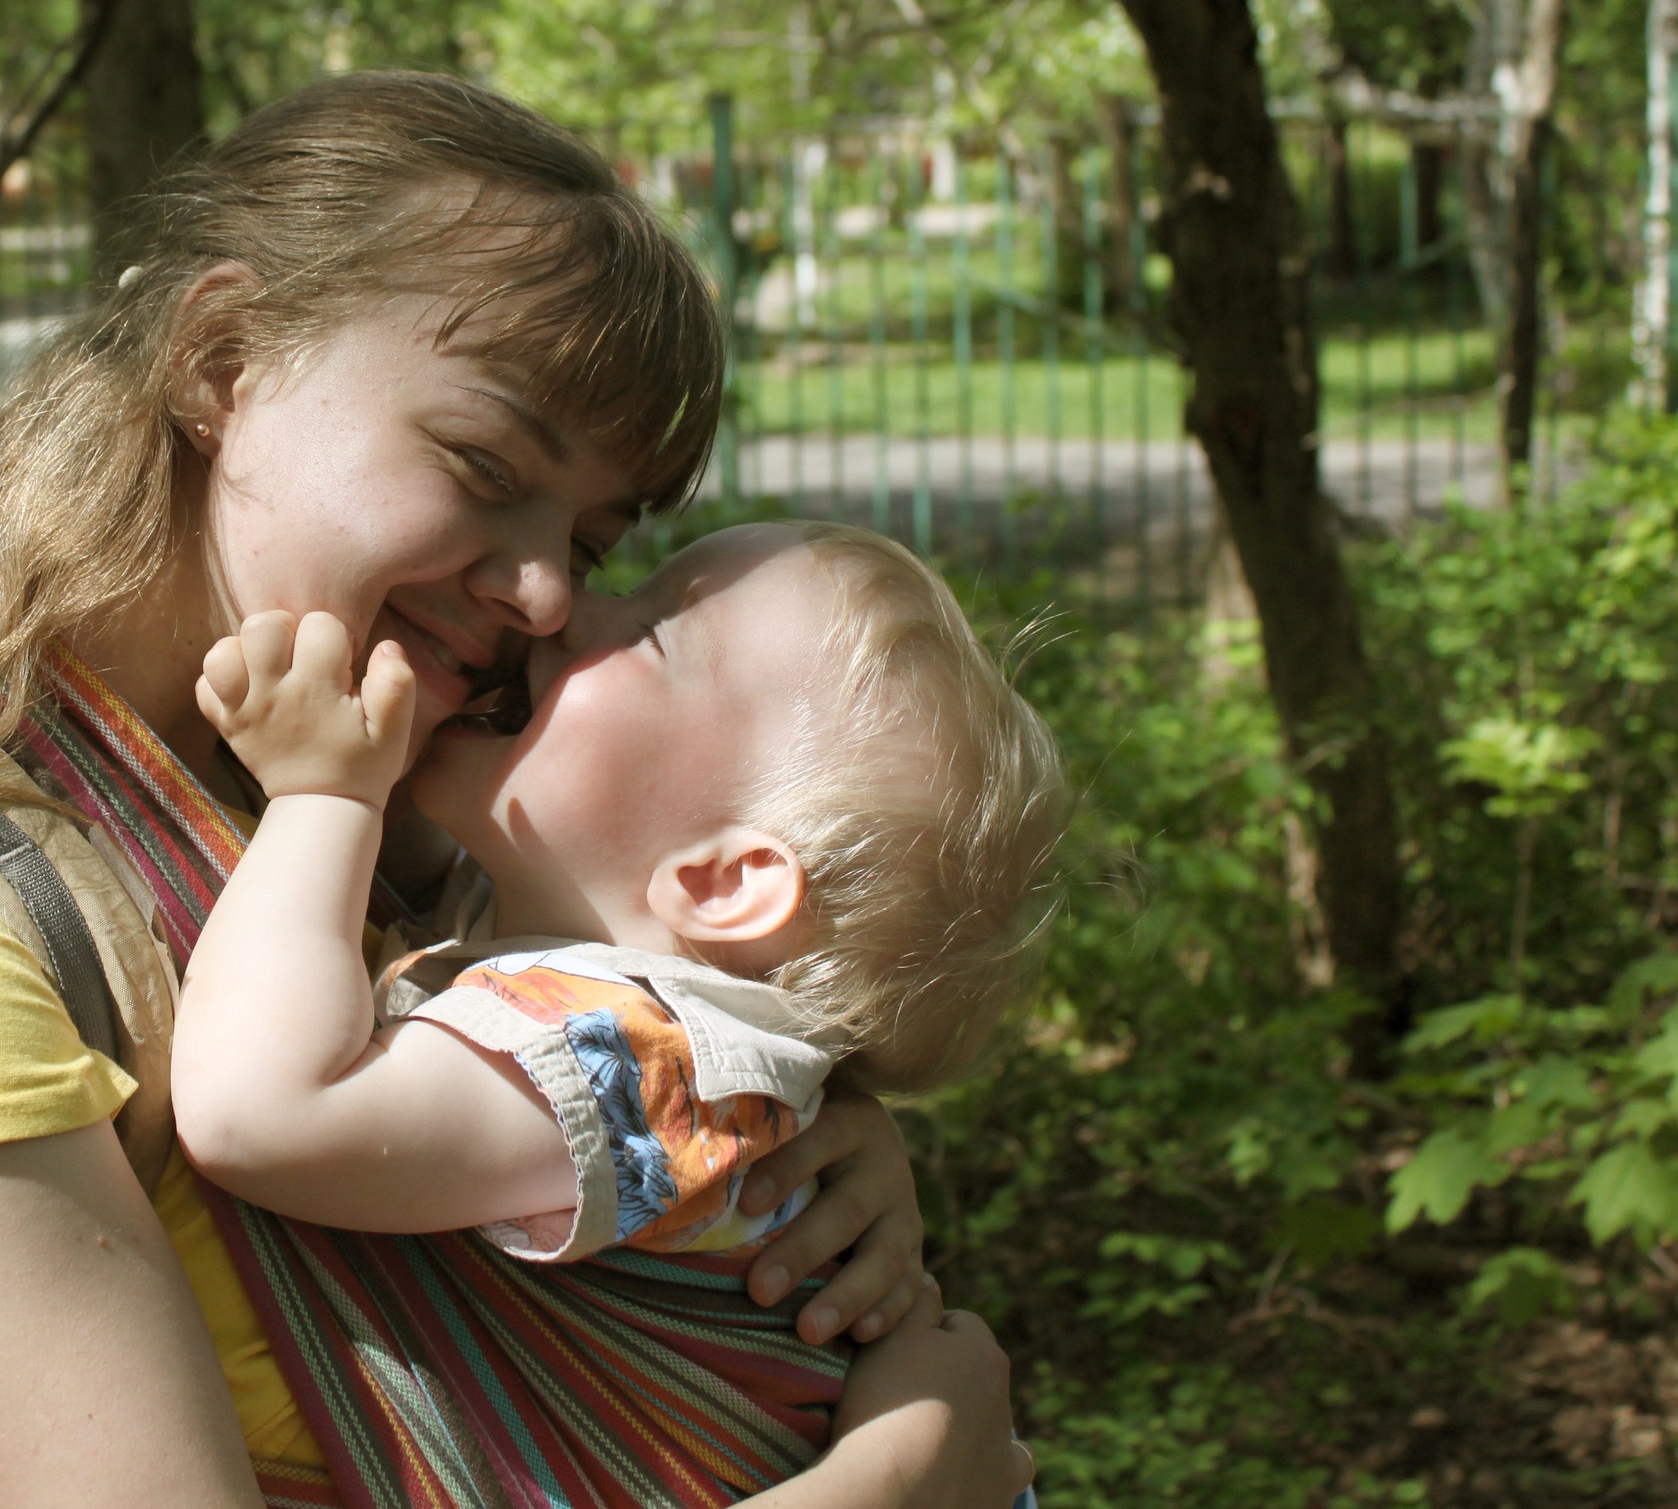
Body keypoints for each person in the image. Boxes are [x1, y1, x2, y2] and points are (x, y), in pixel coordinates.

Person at [0, 72, 1034, 1509]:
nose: (541, 594)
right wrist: (901, 1477)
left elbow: (604, 1060)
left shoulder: (378, 846)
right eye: (484, 466)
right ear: (223, 360)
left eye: (592, 542)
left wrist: (802, 1137)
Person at [173, 521, 1067, 1276]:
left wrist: (323, 796)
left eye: (650, 634)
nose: (571, 608)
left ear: (722, 884)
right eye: (632, 587)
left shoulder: (636, 1067)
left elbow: (262, 1121)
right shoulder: (549, 932)